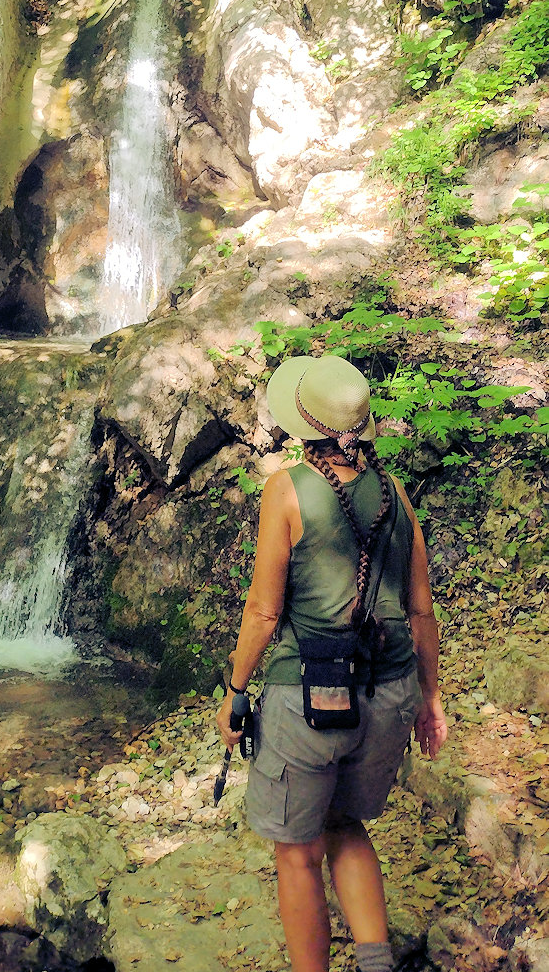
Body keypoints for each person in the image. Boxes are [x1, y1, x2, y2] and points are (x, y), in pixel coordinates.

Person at [216, 354, 448, 972]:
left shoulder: (287, 489)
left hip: (310, 700)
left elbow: (264, 614)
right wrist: (431, 699)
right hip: (391, 691)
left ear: (303, 422)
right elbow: (421, 611)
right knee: (347, 823)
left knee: (296, 850)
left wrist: (237, 692)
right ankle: (375, 963)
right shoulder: (395, 494)